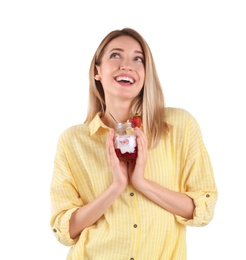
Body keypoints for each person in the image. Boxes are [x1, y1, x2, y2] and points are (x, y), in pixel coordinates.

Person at [50, 28, 218, 259]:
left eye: (138, 58)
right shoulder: (73, 141)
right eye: (115, 55)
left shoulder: (180, 126)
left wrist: (141, 182)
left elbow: (204, 209)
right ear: (97, 71)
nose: (126, 65)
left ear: (146, 73)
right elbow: (63, 229)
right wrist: (116, 187)